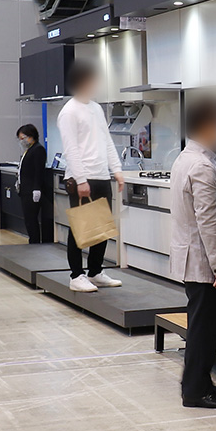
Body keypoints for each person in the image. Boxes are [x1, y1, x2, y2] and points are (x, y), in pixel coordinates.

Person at [170, 98, 216, 410]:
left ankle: (199, 381)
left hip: (191, 256)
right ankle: (196, 391)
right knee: (204, 329)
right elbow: (207, 222)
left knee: (200, 325)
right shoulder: (203, 168)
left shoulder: (186, 159)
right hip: (203, 261)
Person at [57, 59, 124, 293]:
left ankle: (95, 271)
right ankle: (76, 275)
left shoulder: (96, 108)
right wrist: (81, 179)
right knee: (81, 227)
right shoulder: (69, 112)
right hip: (81, 177)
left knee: (102, 227)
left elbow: (107, 141)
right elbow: (71, 149)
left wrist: (117, 170)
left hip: (101, 175)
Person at [16, 124, 48, 244]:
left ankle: (34, 242)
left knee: (31, 218)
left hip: (31, 190)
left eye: (23, 138)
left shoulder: (38, 149)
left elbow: (38, 171)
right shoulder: (28, 150)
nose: (21, 141)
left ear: (31, 136)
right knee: (28, 218)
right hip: (25, 189)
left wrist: (36, 188)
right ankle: (32, 240)